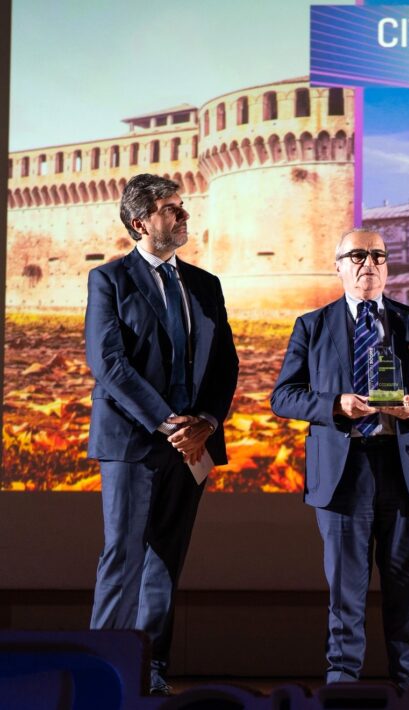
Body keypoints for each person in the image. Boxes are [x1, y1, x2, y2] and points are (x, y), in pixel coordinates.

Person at [271, 227, 409, 687]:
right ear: (338, 266)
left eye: (377, 255)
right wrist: (335, 405)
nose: (368, 263)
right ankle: (342, 681)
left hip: (401, 469)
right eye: (357, 255)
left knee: (405, 588)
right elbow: (283, 397)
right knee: (345, 593)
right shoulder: (312, 325)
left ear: (387, 266)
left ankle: (408, 684)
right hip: (343, 472)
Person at [86, 173, 239, 695]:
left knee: (165, 562)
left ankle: (149, 672)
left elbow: (225, 364)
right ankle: (101, 674)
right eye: (171, 209)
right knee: (123, 557)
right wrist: (169, 422)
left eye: (182, 206)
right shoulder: (109, 280)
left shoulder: (206, 285)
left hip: (191, 444)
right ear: (139, 222)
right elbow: (109, 363)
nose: (183, 215)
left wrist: (207, 423)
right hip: (133, 442)